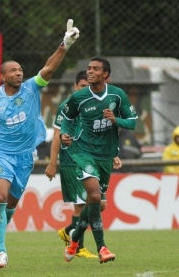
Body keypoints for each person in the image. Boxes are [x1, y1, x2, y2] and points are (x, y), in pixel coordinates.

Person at [0, 19, 80, 269]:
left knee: (10, 208)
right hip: (2, 155)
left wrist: (65, 45)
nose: (19, 73)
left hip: (26, 156)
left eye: (20, 70)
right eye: (14, 70)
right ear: (3, 76)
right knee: (1, 197)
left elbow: (48, 68)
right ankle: (2, 252)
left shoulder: (30, 89)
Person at [60, 56, 138, 264]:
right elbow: (66, 121)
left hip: (105, 155)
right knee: (93, 195)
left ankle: (75, 238)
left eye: (95, 69)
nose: (90, 72)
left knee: (98, 203)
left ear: (105, 74)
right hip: (82, 152)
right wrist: (63, 135)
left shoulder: (117, 95)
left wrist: (115, 119)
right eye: (88, 68)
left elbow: (132, 123)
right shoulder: (79, 98)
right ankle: (102, 247)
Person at [45, 71, 122, 258]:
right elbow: (57, 135)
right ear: (74, 86)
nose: (84, 90)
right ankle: (79, 247)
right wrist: (52, 162)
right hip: (71, 160)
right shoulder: (67, 106)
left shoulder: (96, 105)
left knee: (99, 203)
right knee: (82, 204)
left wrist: (112, 153)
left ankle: (71, 232)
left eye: (86, 87)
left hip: (93, 158)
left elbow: (103, 132)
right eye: (81, 86)